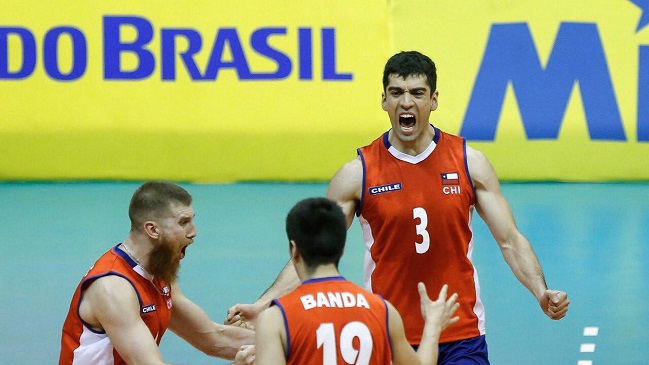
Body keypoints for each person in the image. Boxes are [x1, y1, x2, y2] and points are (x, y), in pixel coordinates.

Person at [226, 51, 571, 364]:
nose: (407, 103)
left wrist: (540, 290)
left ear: (434, 100)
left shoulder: (469, 163)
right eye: (396, 93)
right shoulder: (358, 174)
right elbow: (315, 253)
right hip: (388, 336)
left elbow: (510, 239)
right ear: (384, 100)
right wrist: (264, 304)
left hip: (460, 333)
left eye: (417, 93)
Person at [59, 180, 255, 365]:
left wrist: (279, 338)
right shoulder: (113, 288)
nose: (193, 232)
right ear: (153, 229)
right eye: (183, 222)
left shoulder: (157, 273)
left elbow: (213, 339)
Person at [255, 197, 459, 365]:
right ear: (341, 248)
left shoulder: (275, 319)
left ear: (294, 250)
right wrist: (433, 325)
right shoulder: (383, 311)